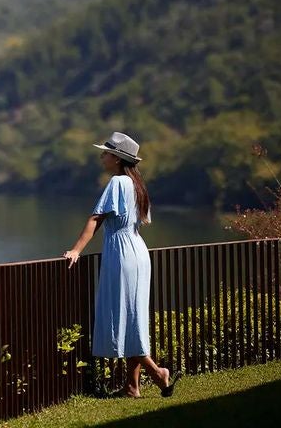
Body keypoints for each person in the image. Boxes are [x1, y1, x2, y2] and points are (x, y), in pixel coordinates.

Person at [63, 132, 181, 398]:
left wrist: (76, 250)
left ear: (116, 158)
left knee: (127, 318)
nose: (102, 156)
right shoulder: (137, 184)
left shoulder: (117, 182)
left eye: (105, 152)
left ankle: (157, 373)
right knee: (134, 317)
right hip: (138, 251)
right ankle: (131, 386)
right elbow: (141, 221)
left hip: (122, 254)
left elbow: (96, 219)